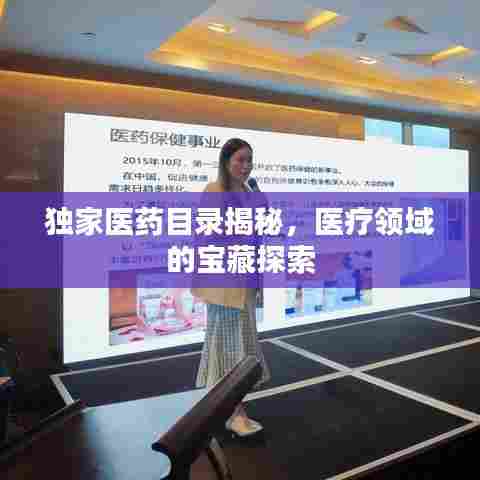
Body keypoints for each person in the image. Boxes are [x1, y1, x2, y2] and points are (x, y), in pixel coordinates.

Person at [191, 138, 271, 437]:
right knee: (229, 348)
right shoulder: (215, 190)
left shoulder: (249, 192)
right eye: (240, 159)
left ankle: (224, 407)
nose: (246, 166)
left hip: (245, 282)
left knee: (242, 346)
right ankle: (234, 412)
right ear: (226, 161)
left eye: (249, 160)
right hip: (224, 283)